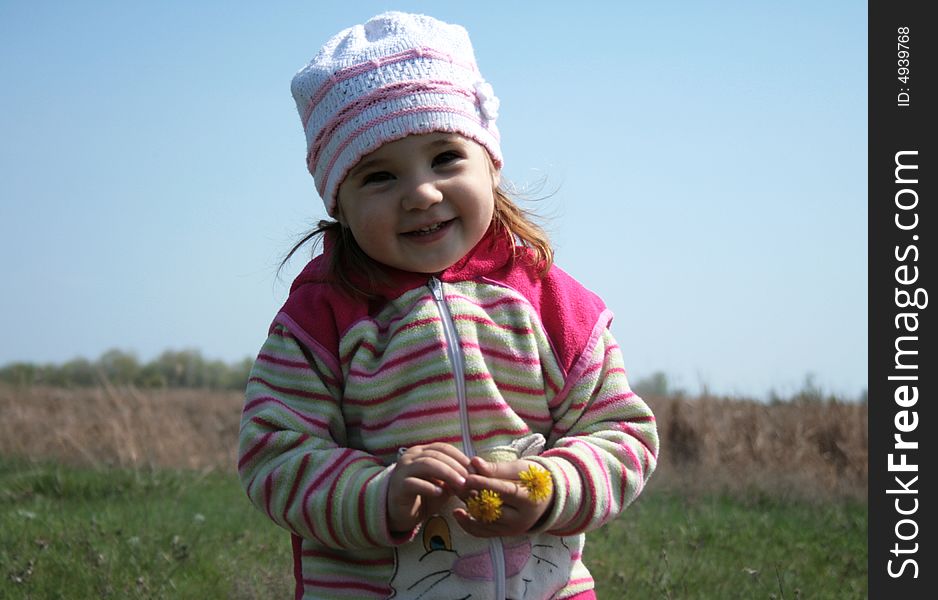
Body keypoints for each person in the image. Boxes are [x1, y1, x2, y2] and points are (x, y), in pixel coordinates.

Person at [238, 11, 658, 600]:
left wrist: (548, 486)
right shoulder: (320, 321)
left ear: (490, 161)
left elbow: (621, 433)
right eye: (379, 176)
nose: (421, 193)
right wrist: (377, 494)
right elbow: (273, 454)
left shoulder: (552, 303)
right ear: (339, 201)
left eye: (445, 158)